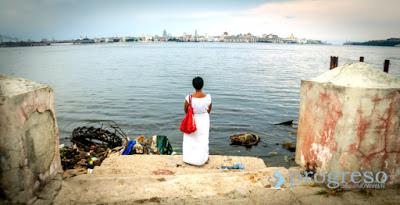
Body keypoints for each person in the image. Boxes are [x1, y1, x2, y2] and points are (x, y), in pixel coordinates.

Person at [182, 76, 212, 166]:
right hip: (204, 120)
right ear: (202, 85)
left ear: (193, 86)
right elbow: (209, 110)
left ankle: (189, 159)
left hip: (192, 120)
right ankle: (202, 159)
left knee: (190, 139)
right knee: (202, 139)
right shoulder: (208, 97)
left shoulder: (189, 98)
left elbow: (185, 110)